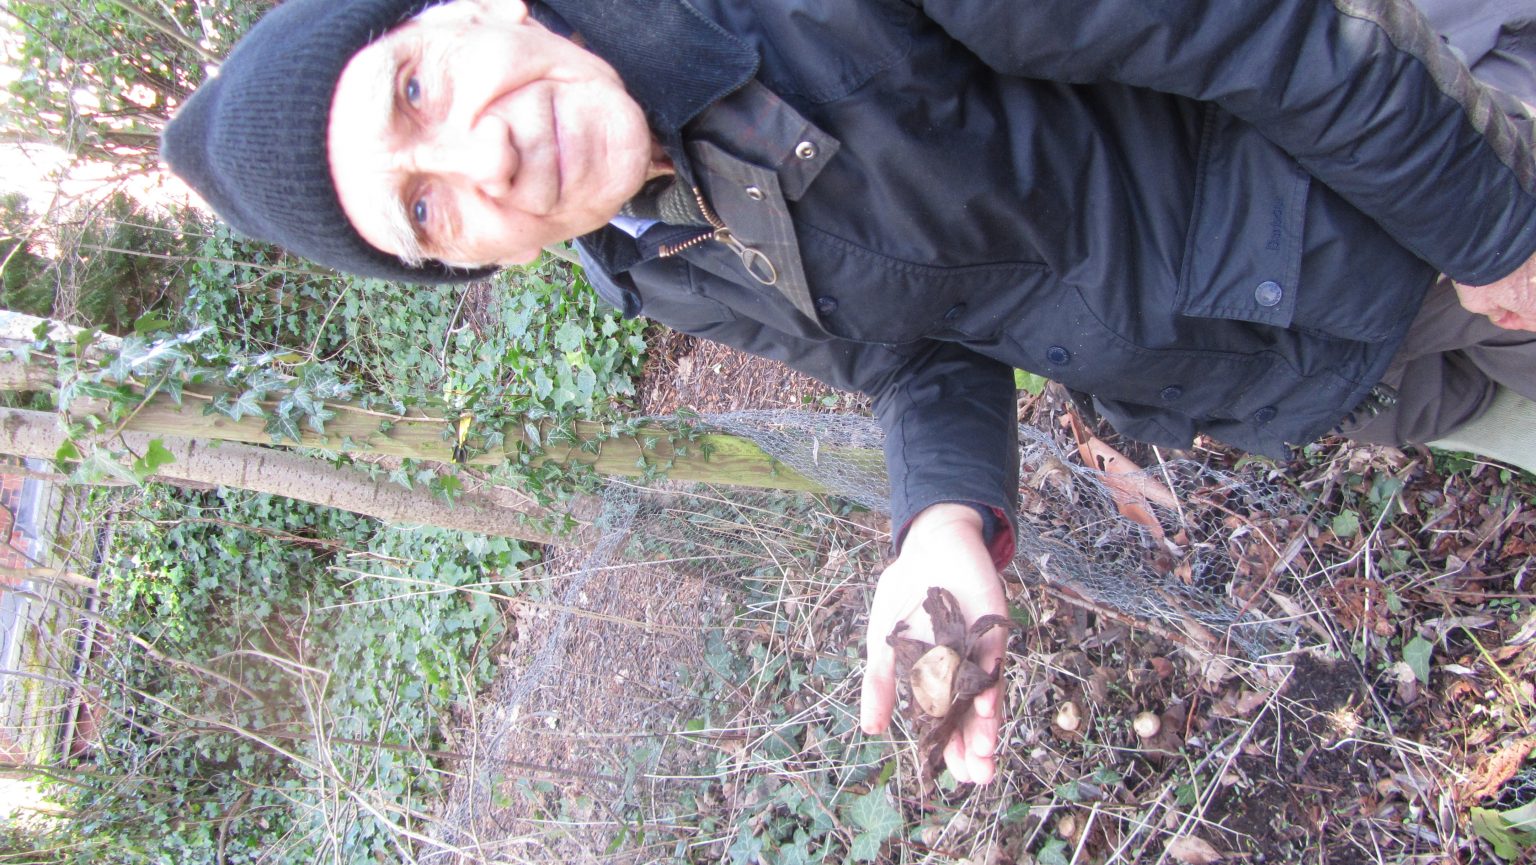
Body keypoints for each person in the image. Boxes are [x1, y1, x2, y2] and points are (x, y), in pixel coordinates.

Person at [163, 0, 1536, 785]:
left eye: (414, 89)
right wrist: (943, 521)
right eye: (425, 211)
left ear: (466, 8)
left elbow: (1254, 24)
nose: (484, 162)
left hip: (1427, 179)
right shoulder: (642, 255)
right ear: (470, 264)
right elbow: (904, 348)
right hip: (1307, 372)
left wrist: (1495, 227)